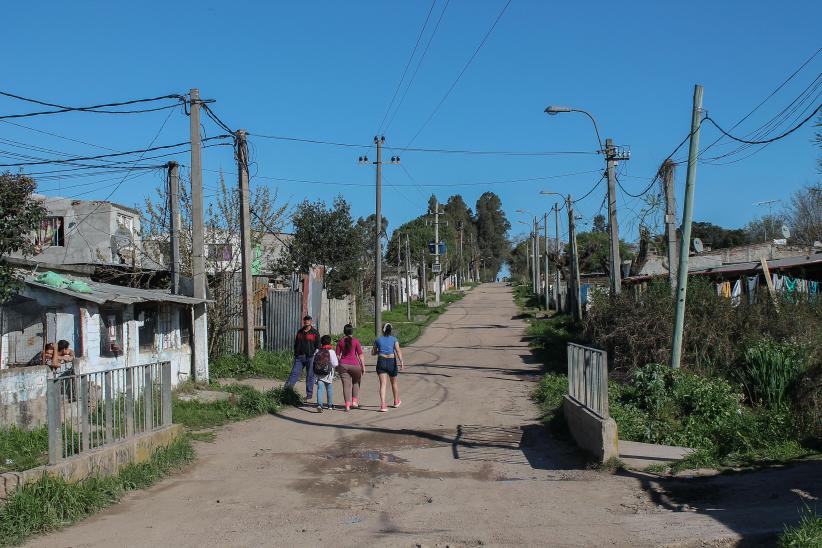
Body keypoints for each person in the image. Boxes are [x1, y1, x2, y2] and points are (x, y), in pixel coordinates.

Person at [371, 323, 404, 412]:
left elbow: (373, 352)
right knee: (394, 383)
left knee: (383, 384)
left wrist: (379, 352)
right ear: (391, 330)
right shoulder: (394, 339)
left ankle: (383, 405)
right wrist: (401, 362)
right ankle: (396, 401)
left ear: (383, 330)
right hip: (391, 362)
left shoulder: (378, 340)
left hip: (381, 361)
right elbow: (398, 351)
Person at [286, 315, 320, 400]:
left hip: (310, 357)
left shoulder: (315, 333)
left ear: (311, 321)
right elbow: (296, 343)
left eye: (308, 320)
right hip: (300, 357)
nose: (306, 322)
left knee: (310, 376)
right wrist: (296, 353)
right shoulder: (300, 332)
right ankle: (286, 391)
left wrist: (315, 356)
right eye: (305, 320)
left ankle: (309, 394)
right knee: (294, 373)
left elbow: (318, 346)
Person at [335, 324, 365, 411]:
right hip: (355, 365)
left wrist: (340, 363)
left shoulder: (340, 341)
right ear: (352, 331)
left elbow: (337, 356)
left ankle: (347, 405)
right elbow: (360, 355)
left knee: (346, 385)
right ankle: (354, 401)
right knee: (356, 382)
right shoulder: (356, 341)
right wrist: (363, 366)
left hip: (343, 365)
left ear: (344, 331)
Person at [313, 335, 338, 412]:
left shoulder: (317, 351)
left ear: (321, 342)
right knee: (329, 389)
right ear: (330, 342)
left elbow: (314, 361)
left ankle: (320, 405)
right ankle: (330, 405)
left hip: (318, 373)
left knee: (320, 389)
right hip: (328, 373)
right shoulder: (331, 351)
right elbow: (335, 364)